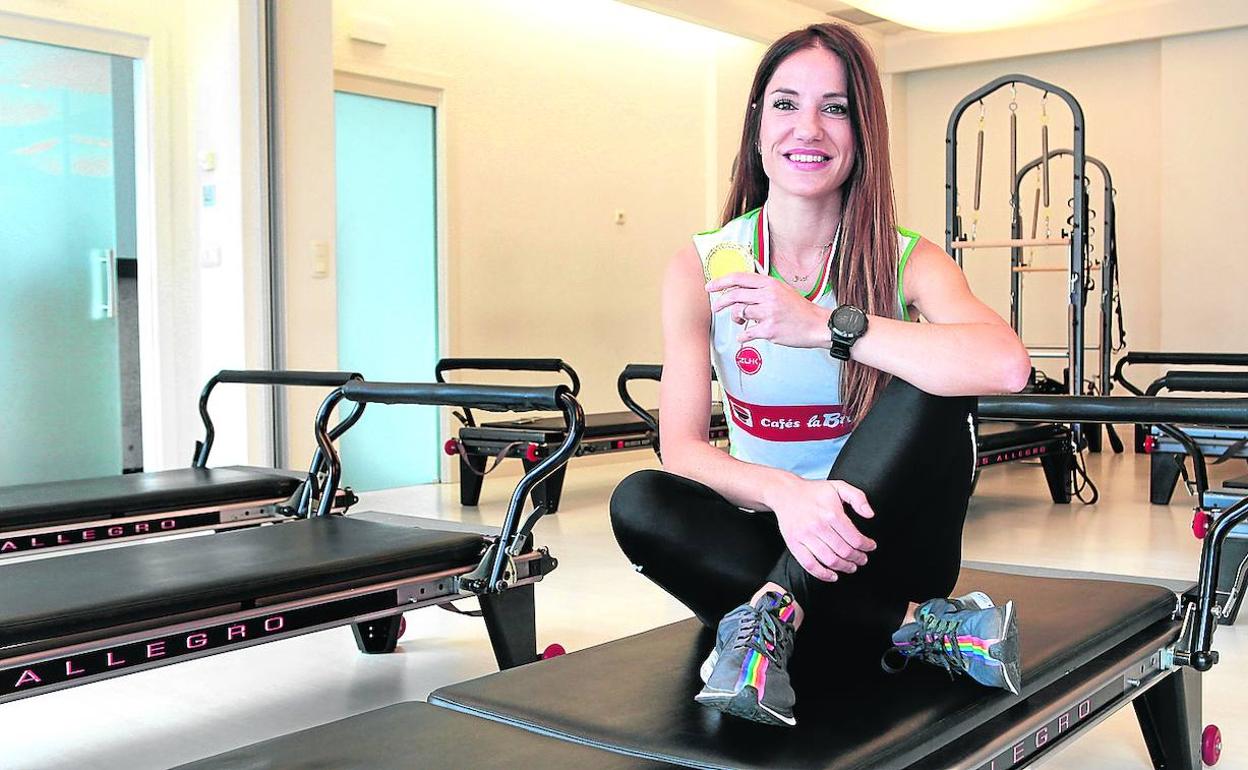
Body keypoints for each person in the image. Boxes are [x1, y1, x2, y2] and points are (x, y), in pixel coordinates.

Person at [609, 23, 1033, 728]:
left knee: (930, 373)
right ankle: (915, 628)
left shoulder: (908, 259)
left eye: (835, 108)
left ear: (862, 130)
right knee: (640, 502)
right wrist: (789, 497)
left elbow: (1006, 364)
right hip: (775, 532)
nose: (808, 128)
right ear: (757, 124)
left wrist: (828, 328)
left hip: (887, 544)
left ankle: (772, 611)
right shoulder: (703, 265)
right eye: (786, 104)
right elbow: (681, 448)